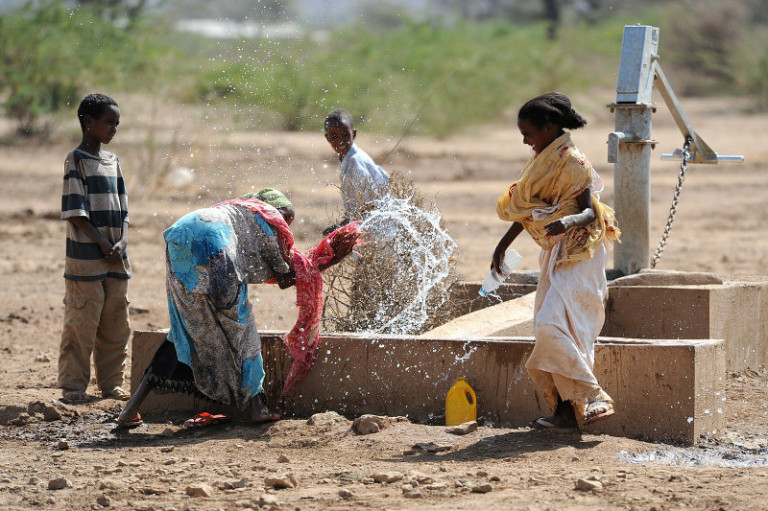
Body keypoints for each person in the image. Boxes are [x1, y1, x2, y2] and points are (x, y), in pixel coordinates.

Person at [116, 189, 360, 427]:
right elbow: (285, 278)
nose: (286, 227)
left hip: (181, 238)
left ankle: (130, 410)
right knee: (242, 329)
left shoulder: (235, 211)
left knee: (184, 326)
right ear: (276, 210)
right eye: (287, 218)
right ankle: (258, 407)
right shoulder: (268, 218)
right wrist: (329, 258)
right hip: (217, 248)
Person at [490, 92, 621, 430]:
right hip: (553, 250)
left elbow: (590, 211)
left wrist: (568, 222)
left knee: (555, 326)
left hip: (580, 250)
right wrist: (502, 245)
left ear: (548, 129)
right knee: (553, 329)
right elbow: (530, 208)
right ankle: (565, 413)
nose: (524, 140)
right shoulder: (540, 161)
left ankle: (594, 396)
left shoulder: (573, 161)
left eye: (528, 134)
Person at [58, 93, 132, 404]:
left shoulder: (113, 161)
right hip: (87, 259)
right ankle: (74, 386)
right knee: (82, 322)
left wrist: (121, 242)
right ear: (89, 123)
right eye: (108, 123)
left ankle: (112, 384)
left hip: (116, 258)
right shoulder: (76, 160)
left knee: (115, 322)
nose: (113, 129)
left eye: (117, 124)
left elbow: (124, 210)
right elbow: (76, 213)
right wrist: (103, 243)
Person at [323, 108, 390, 235]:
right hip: (370, 223)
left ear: (354, 134)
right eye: (334, 137)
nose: (340, 141)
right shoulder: (347, 157)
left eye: (345, 135)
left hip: (378, 225)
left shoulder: (355, 162)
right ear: (327, 138)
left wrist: (341, 227)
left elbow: (366, 207)